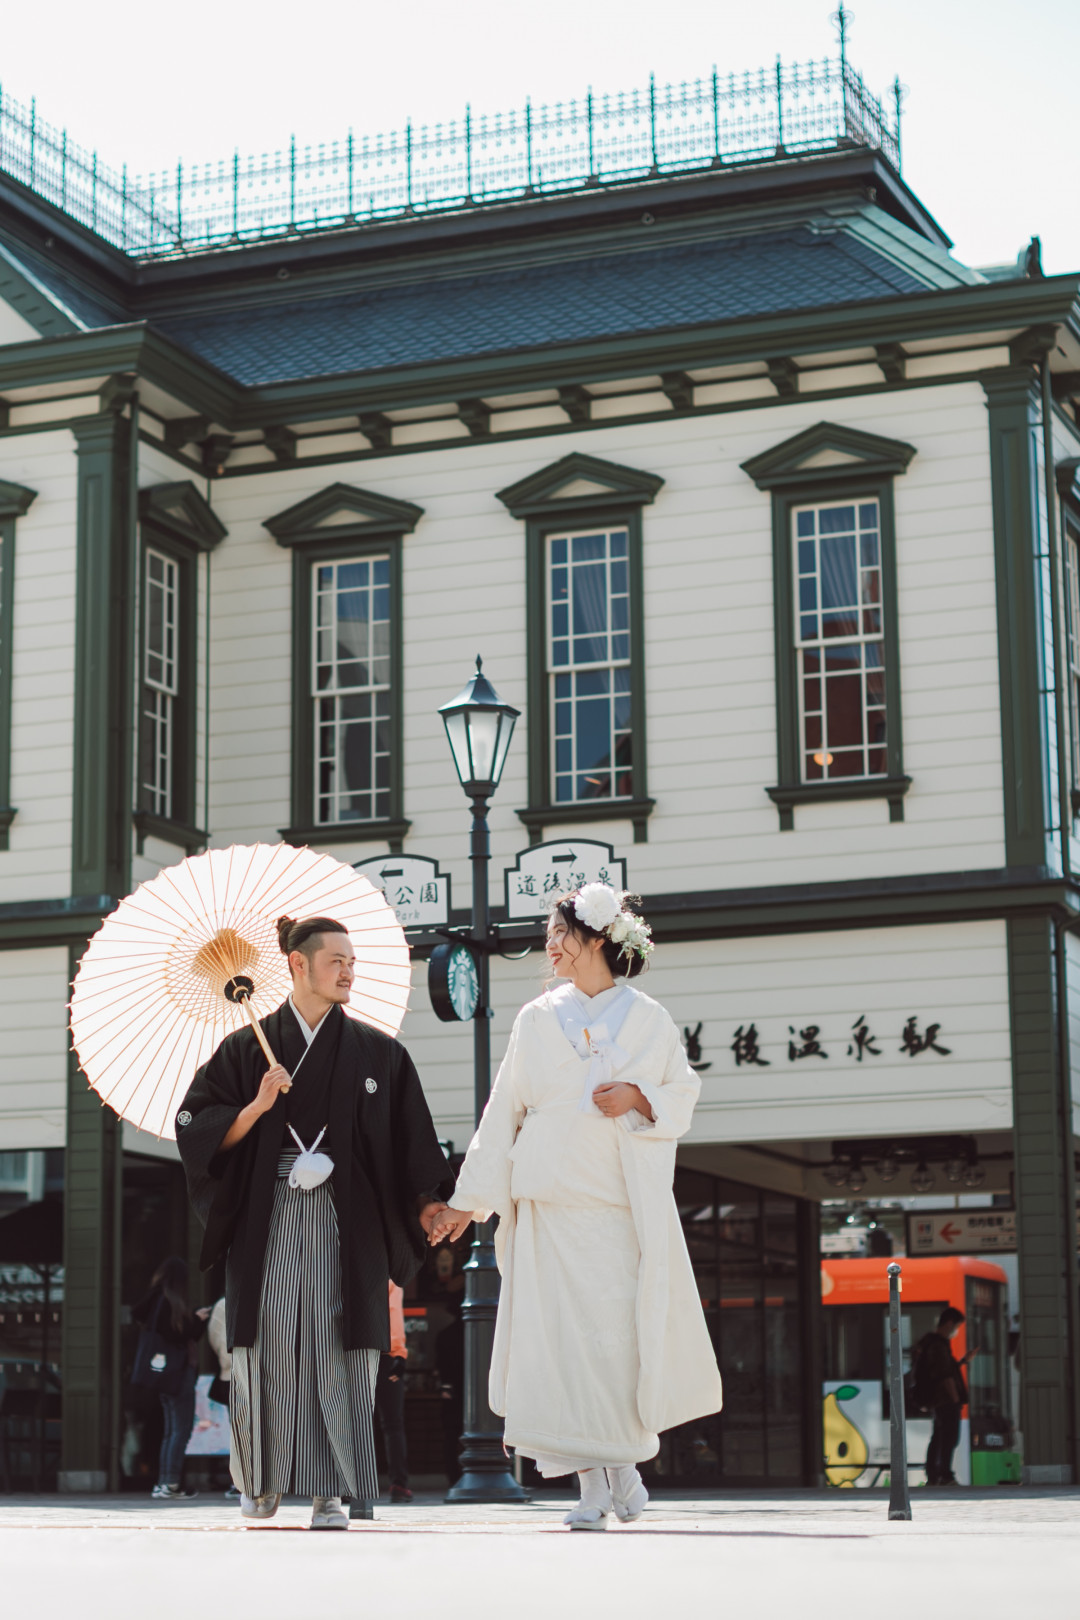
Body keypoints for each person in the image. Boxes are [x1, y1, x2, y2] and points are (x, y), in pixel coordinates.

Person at [430, 884, 723, 1530]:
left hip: (617, 1207)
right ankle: (595, 1486)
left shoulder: (648, 1018)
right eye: (549, 938)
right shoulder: (537, 1018)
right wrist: (465, 1201)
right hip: (549, 1204)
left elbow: (683, 1090)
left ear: (595, 940)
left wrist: (641, 1097)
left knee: (615, 1348)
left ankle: (623, 1468)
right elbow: (503, 1111)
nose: (551, 948)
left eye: (560, 936)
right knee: (558, 1350)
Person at [175, 915, 453, 1531]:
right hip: (267, 1213)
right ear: (298, 966)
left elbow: (413, 1147)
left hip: (345, 1215)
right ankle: (261, 1480)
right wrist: (254, 1108)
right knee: (267, 1345)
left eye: (353, 962)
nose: (349, 971)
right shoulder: (245, 1050)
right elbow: (195, 1127)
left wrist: (427, 1204)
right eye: (337, 961)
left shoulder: (380, 1052)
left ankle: (333, 1489)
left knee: (339, 1345)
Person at [132, 1257, 210, 1501]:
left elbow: (141, 1315)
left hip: (163, 1376)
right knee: (180, 1430)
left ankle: (165, 1482)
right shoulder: (169, 1302)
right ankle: (171, 1483)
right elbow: (182, 1335)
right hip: (178, 1374)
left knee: (171, 1431)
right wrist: (197, 1320)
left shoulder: (154, 1299)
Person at [913, 1306, 978, 1486]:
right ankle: (944, 1474)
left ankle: (935, 1473)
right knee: (948, 1437)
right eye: (956, 1326)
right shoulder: (938, 1345)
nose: (956, 1330)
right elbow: (944, 1375)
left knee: (939, 1435)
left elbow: (945, 1369)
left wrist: (963, 1361)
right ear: (949, 1323)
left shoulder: (931, 1344)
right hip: (945, 1399)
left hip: (938, 1399)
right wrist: (955, 1398)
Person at [377, 1282, 411, 1503]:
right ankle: (399, 1484)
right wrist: (399, 1353)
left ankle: (350, 1484)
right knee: (393, 1425)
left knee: (354, 1422)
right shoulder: (391, 1276)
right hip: (387, 1354)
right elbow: (393, 1312)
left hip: (356, 1353)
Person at [206, 1296, 239, 1498]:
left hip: (229, 1374)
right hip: (248, 1374)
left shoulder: (221, 1304)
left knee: (238, 1431)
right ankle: (244, 1482)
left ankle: (240, 1482)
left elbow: (215, 1337)